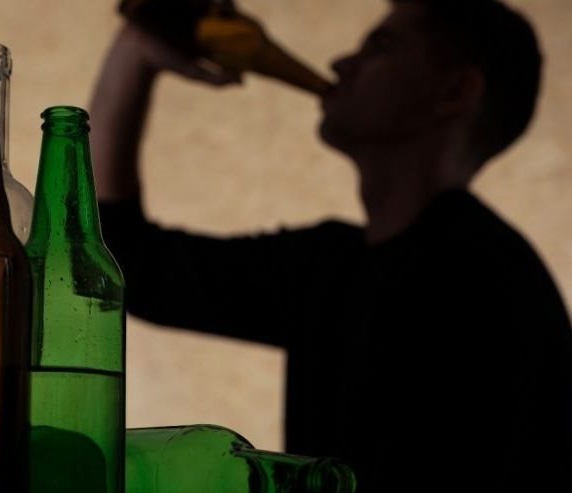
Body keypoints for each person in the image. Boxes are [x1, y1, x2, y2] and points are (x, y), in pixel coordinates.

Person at [90, 0, 572, 490]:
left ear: (455, 91)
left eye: (381, 47)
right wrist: (137, 51)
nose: (340, 63)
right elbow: (127, 263)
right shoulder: (330, 266)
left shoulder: (487, 284)